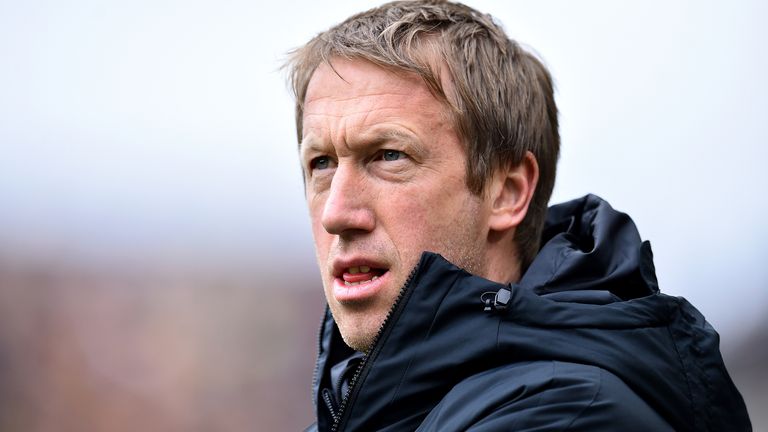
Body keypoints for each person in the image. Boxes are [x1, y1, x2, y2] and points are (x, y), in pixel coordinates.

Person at [285, 1, 752, 430]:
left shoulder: (567, 416)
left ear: (508, 192)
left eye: (389, 156)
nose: (336, 213)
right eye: (321, 163)